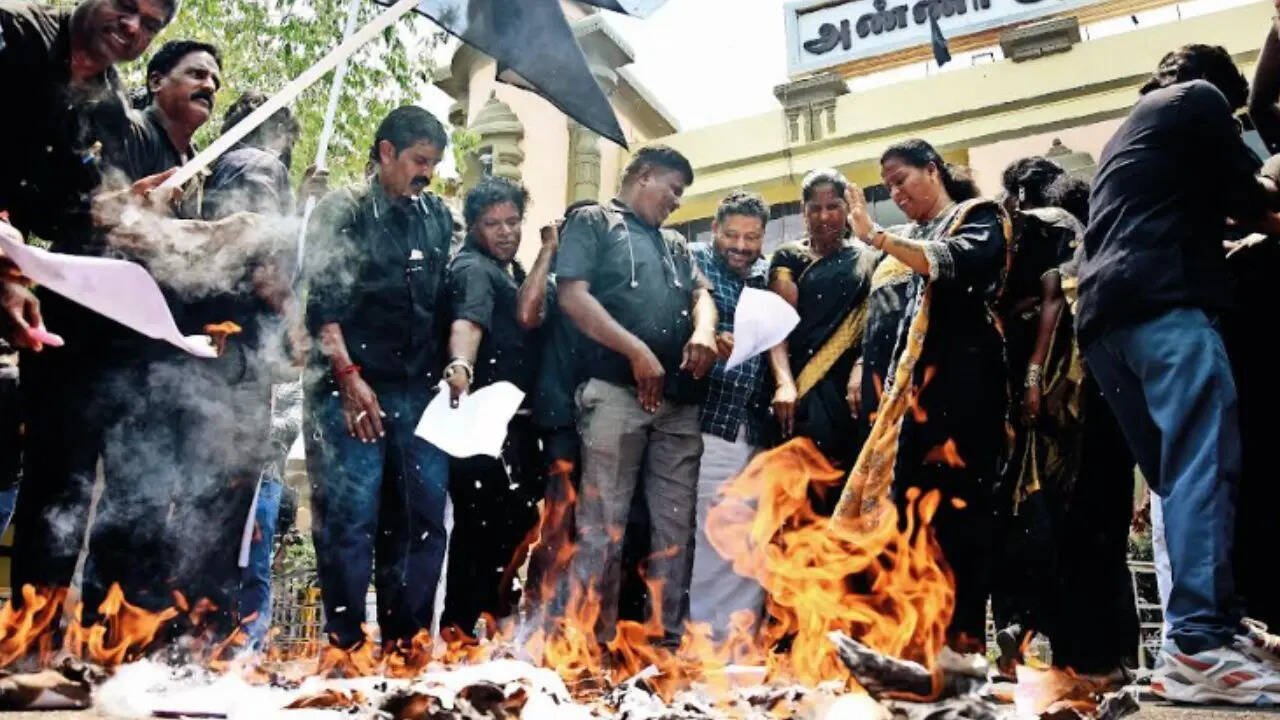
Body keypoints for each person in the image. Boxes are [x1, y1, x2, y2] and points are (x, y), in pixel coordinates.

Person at [1077, 44, 1280, 703]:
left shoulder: (1131, 132)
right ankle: (1199, 645)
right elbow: (1252, 197)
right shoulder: (1198, 100)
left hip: (1108, 326)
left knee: (1179, 477)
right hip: (1165, 307)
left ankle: (1203, 633)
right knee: (1204, 467)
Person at [2, 0, 177, 603]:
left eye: (151, 25)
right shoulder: (15, 34)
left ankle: (34, 649)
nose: (133, 28)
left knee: (58, 484)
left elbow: (70, 212)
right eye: (126, 7)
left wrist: (119, 208)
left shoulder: (109, 108)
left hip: (23, 289)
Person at [837, 139, 1008, 657]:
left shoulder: (977, 216)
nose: (895, 192)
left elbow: (956, 265)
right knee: (902, 528)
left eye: (901, 179)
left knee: (956, 522)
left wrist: (879, 237)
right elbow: (881, 321)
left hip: (957, 404)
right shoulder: (894, 245)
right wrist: (862, 368)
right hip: (896, 417)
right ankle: (910, 649)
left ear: (932, 170)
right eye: (887, 186)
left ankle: (962, 650)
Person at [302, 106, 454, 652]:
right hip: (350, 387)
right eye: (419, 160)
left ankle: (406, 642)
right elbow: (321, 305)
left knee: (420, 518)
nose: (427, 174)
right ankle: (345, 645)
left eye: (434, 163)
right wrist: (347, 378)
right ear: (386, 153)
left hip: (419, 391)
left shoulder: (436, 216)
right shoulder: (341, 210)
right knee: (350, 517)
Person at [555, 145, 718, 643]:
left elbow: (702, 294)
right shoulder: (593, 220)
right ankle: (588, 646)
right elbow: (572, 295)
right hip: (614, 393)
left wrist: (705, 332)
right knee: (602, 525)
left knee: (674, 530)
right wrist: (636, 351)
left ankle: (665, 642)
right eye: (672, 189)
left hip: (678, 405)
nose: (675, 202)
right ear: (643, 176)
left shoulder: (675, 243)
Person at [996, 159, 1139, 683]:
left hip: (1054, 400)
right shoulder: (1096, 234)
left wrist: (1033, 377)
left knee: (1046, 521)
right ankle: (1097, 657)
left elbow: (1056, 300)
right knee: (1092, 531)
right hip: (1090, 395)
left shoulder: (1046, 225)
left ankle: (1046, 644)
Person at [438, 177, 546, 636]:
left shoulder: (511, 269)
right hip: (484, 422)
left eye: (513, 221)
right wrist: (461, 363)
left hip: (514, 425)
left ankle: (493, 624)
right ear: (473, 225)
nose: (505, 232)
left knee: (510, 527)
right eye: (492, 224)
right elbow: (469, 322)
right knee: (478, 533)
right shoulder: (473, 269)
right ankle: (461, 631)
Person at [686, 190, 772, 635]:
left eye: (752, 237)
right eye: (732, 234)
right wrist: (710, 337)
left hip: (756, 427)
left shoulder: (764, 276)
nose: (741, 245)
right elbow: (686, 316)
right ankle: (708, 642)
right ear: (715, 230)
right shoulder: (693, 260)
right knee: (712, 533)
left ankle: (742, 642)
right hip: (709, 423)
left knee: (749, 536)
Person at [768, 169, 878, 473]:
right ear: (803, 213)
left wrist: (861, 365)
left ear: (848, 209)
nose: (824, 216)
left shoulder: (870, 259)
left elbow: (877, 323)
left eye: (833, 207)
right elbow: (778, 326)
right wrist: (785, 385)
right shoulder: (789, 257)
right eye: (815, 208)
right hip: (802, 390)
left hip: (853, 389)